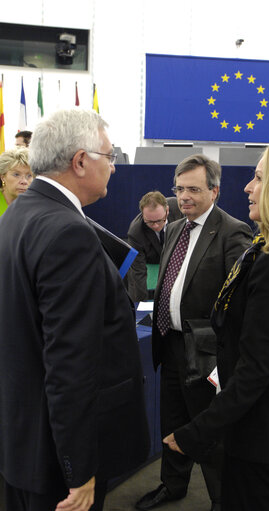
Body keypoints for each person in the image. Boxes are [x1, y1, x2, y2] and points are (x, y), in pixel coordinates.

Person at [164, 142, 269, 511]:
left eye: (258, 178)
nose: (247, 187)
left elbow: (256, 368)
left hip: (265, 426)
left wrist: (198, 431)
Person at [0, 109, 150, 511]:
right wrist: (79, 470)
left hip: (23, 443)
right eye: (109, 155)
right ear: (81, 161)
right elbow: (71, 364)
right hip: (55, 461)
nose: (114, 168)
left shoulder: (19, 213)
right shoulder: (68, 232)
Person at [136, 154, 253, 511]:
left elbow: (238, 299)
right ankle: (172, 486)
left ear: (214, 191)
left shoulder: (233, 231)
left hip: (206, 353)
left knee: (209, 429)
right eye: (179, 188)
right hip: (169, 344)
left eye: (193, 189)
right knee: (173, 422)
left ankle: (222, 497)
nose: (183, 196)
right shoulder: (173, 228)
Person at [127, 191, 183, 302]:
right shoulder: (135, 232)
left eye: (159, 220)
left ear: (167, 210)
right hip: (151, 259)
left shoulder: (179, 208)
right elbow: (138, 271)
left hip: (177, 255)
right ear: (143, 215)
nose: (156, 226)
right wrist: (141, 306)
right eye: (150, 222)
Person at [0, 146, 33, 216]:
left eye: (29, 175)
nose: (24, 181)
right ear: (2, 177)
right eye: (16, 174)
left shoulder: (38, 205)